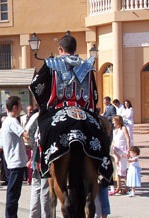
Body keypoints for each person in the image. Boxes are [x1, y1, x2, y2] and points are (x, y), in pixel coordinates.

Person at [29, 31, 113, 183]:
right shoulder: (87, 66)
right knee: (101, 132)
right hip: (84, 112)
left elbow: (36, 86)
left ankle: (41, 163)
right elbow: (94, 95)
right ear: (75, 49)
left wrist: (46, 105)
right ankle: (104, 168)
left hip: (58, 110)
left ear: (60, 49)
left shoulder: (52, 64)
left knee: (37, 132)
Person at [0, 95, 29, 218]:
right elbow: (25, 134)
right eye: (20, 105)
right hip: (15, 162)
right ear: (15, 107)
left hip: (14, 161)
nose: (22, 107)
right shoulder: (12, 121)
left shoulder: (8, 121)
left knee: (16, 193)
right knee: (13, 193)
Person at [110, 115, 131, 195]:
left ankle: (127, 186)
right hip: (115, 150)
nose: (113, 123)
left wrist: (129, 150)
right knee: (117, 169)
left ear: (118, 121)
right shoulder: (114, 130)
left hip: (122, 151)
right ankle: (119, 187)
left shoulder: (123, 128)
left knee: (123, 169)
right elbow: (113, 140)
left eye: (114, 121)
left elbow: (128, 139)